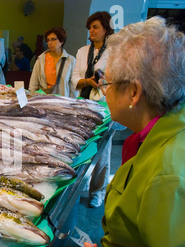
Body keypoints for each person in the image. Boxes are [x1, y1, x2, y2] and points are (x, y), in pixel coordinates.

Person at [79, 17, 185, 247]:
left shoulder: (169, 172)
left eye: (109, 83)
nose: (104, 91)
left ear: (133, 92)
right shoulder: (169, 126)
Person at [72, 11, 114, 208]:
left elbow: (117, 78)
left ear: (106, 29)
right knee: (81, 147)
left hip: (105, 106)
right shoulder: (82, 51)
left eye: (96, 27)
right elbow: (74, 80)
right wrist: (86, 81)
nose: (92, 30)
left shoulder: (114, 52)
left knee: (103, 152)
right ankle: (78, 187)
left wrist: (105, 82)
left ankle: (98, 192)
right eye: (90, 27)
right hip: (83, 103)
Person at [29, 27, 76, 97]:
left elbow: (73, 86)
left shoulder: (70, 60)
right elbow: (33, 83)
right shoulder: (41, 59)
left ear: (62, 41)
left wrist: (73, 103)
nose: (50, 43)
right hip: (44, 101)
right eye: (48, 40)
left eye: (54, 39)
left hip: (63, 102)